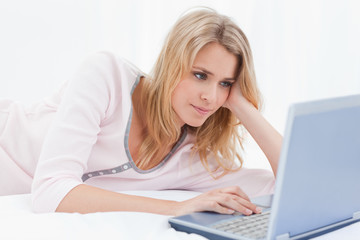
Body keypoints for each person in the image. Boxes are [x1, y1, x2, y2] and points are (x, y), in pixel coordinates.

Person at [0, 7, 282, 216]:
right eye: (200, 75)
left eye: (225, 83)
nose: (211, 97)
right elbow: (50, 192)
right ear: (172, 63)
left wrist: (242, 105)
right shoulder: (107, 77)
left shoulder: (193, 158)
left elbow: (286, 188)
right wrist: (177, 208)